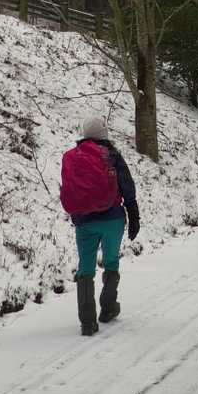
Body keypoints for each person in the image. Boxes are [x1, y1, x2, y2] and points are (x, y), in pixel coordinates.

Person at [60, 115, 140, 337]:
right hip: (113, 219)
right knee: (111, 260)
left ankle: (88, 322)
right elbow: (127, 185)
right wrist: (134, 215)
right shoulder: (111, 155)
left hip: (85, 222)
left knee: (85, 268)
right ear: (103, 133)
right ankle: (108, 308)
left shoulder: (72, 157)